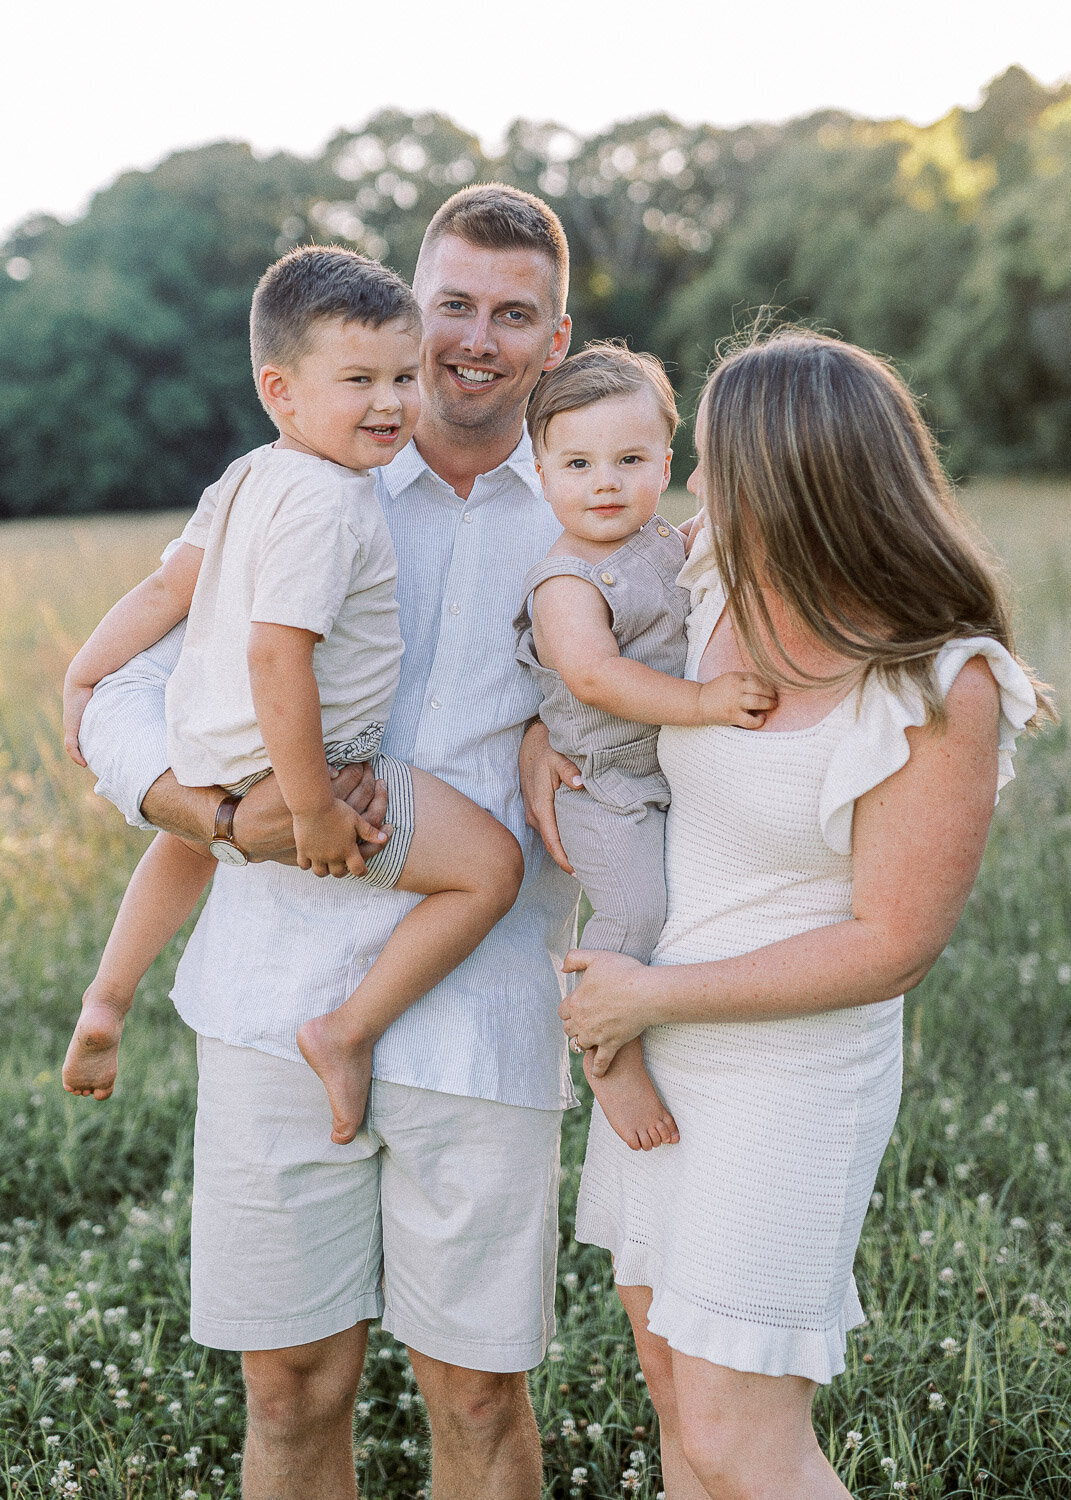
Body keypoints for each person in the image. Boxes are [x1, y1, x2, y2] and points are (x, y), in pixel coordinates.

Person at [75, 185, 580, 1500]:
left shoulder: (591, 509)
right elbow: (126, 695)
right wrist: (208, 812)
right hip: (269, 987)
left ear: (555, 340)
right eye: (451, 304)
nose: (471, 341)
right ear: (412, 301)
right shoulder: (300, 476)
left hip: (482, 1001)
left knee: (476, 1394)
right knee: (292, 1387)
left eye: (508, 314)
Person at [546, 330, 1053, 1498]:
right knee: (673, 1393)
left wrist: (648, 994)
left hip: (789, 1074)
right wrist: (546, 749)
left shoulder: (939, 679)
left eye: (716, 463)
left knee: (738, 1438)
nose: (696, 487)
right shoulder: (709, 582)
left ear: (796, 479)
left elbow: (893, 944)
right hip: (659, 1054)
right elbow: (588, 672)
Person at [60, 247, 523, 1147]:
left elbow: (166, 592)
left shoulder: (247, 475)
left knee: (190, 845)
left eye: (401, 375)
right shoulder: (332, 503)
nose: (390, 402)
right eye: (358, 379)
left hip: (209, 749)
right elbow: (279, 658)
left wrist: (85, 671)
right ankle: (344, 1032)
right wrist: (313, 808)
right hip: (310, 767)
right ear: (281, 390)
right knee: (490, 870)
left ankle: (109, 997)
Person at [515, 342, 776, 1152]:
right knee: (634, 911)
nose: (605, 482)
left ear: (666, 462)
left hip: (660, 778)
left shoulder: (663, 539)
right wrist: (701, 702)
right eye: (579, 463)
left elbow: (700, 542)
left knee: (685, 913)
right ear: (541, 469)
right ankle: (603, 1045)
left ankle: (668, 1032)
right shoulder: (565, 582)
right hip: (601, 785)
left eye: (629, 460)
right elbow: (593, 678)